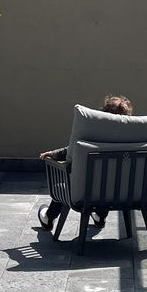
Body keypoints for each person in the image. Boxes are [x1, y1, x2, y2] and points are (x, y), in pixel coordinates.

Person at [38, 94, 134, 232]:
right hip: (124, 193)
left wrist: (52, 154)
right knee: (110, 181)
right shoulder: (135, 139)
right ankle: (100, 216)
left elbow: (70, 151)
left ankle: (49, 217)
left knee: (66, 185)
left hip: (87, 194)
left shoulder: (93, 136)